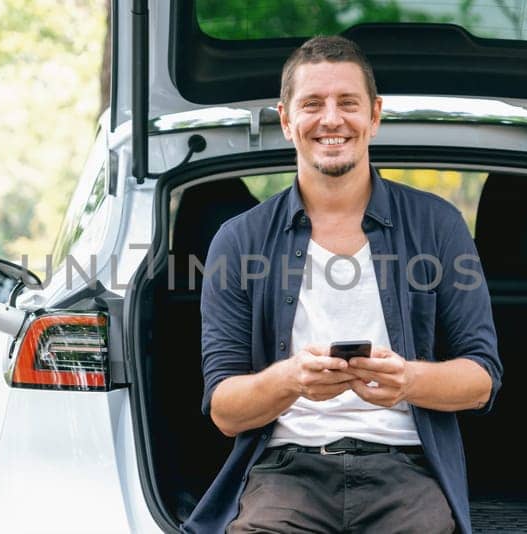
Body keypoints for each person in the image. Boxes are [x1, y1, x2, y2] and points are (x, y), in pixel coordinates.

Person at [186, 35, 502, 534]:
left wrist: (408, 381)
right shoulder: (239, 240)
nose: (331, 119)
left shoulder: (438, 225)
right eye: (312, 104)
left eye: (347, 103)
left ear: (374, 115)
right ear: (286, 119)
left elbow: (481, 380)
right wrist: (292, 379)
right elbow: (225, 410)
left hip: (407, 471)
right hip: (284, 473)